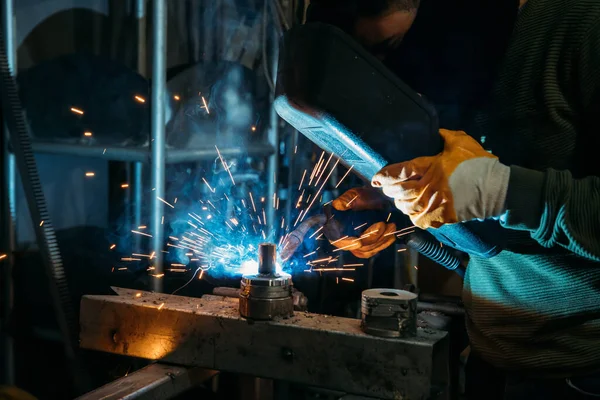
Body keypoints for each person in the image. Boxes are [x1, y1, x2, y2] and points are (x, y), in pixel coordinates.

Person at [306, 0, 600, 399]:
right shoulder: (459, 68)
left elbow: (506, 195)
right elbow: (496, 248)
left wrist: (505, 191)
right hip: (487, 366)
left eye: (392, 44)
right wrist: (401, 216)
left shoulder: (581, 24)